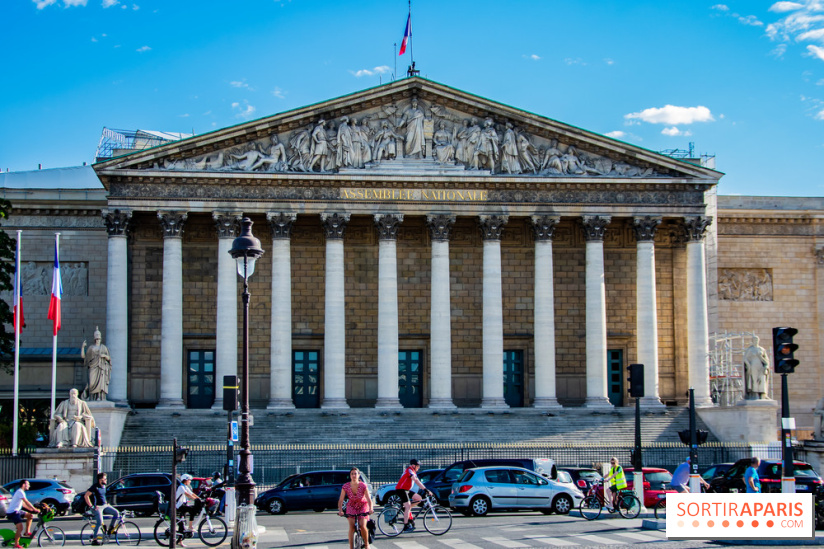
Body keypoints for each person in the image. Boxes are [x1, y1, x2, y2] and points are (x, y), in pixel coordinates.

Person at [337, 467, 373, 549]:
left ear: (359, 475)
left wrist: (371, 509)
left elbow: (368, 498)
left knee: (362, 525)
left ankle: (367, 544)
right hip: (351, 506)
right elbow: (341, 500)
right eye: (352, 474)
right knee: (352, 527)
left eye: (355, 474)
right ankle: (351, 547)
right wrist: (340, 510)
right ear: (350, 475)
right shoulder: (346, 486)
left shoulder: (363, 485)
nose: (354, 475)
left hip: (363, 505)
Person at [84, 473, 120, 545]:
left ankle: (111, 528)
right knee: (100, 522)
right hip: (97, 507)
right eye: (105, 479)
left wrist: (106, 503)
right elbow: (86, 496)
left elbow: (102, 496)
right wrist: (91, 506)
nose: (106, 480)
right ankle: (94, 540)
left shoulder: (104, 487)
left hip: (104, 505)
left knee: (116, 513)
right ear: (100, 480)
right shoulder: (95, 487)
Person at [395, 459, 431, 532]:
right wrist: (425, 489)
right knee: (408, 506)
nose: (419, 467)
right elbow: (416, 480)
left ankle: (406, 511)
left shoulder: (413, 471)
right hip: (401, 489)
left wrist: (425, 489)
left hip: (406, 490)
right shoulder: (409, 470)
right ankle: (406, 525)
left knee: (418, 498)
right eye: (418, 466)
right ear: (413, 465)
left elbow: (418, 481)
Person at [82, 327, 112, 401]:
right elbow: (84, 357)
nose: (98, 340)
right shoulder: (91, 348)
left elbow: (109, 359)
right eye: (97, 339)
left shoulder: (104, 348)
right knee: (91, 383)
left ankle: (99, 397)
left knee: (101, 383)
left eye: (99, 338)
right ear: (95, 339)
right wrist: (83, 347)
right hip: (93, 366)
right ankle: (92, 397)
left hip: (101, 367)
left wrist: (104, 356)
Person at [6, 479, 37, 549]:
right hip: (12, 512)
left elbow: (23, 504)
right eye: (28, 484)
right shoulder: (20, 492)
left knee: (30, 516)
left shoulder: (21, 492)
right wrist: (34, 509)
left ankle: (27, 532)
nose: (29, 486)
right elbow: (26, 502)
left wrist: (31, 510)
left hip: (17, 511)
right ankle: (16, 544)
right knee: (20, 528)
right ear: (23, 485)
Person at [176, 474, 204, 542]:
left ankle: (180, 541)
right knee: (192, 510)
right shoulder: (181, 487)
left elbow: (192, 493)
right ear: (185, 480)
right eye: (189, 480)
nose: (190, 481)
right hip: (179, 506)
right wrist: (195, 499)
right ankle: (190, 527)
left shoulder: (185, 486)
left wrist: (199, 499)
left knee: (182, 524)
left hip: (183, 505)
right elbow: (187, 494)